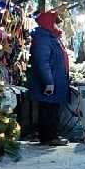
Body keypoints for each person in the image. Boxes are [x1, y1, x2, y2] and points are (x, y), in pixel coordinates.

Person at [25, 11, 71, 146]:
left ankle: (52, 135)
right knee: (48, 110)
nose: (58, 26)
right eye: (56, 23)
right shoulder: (43, 39)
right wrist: (49, 82)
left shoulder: (50, 37)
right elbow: (42, 62)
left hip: (56, 79)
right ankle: (48, 137)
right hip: (51, 81)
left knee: (52, 109)